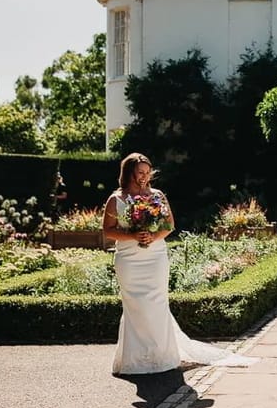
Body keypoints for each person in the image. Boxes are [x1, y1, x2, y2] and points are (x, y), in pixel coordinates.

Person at [103, 152, 258, 375]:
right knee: (135, 306)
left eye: (148, 172)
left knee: (156, 304)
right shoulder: (115, 199)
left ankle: (161, 357)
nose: (144, 177)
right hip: (128, 260)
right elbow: (108, 231)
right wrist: (134, 236)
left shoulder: (157, 196)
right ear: (128, 173)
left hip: (155, 257)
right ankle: (134, 360)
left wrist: (152, 237)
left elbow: (169, 225)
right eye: (140, 173)